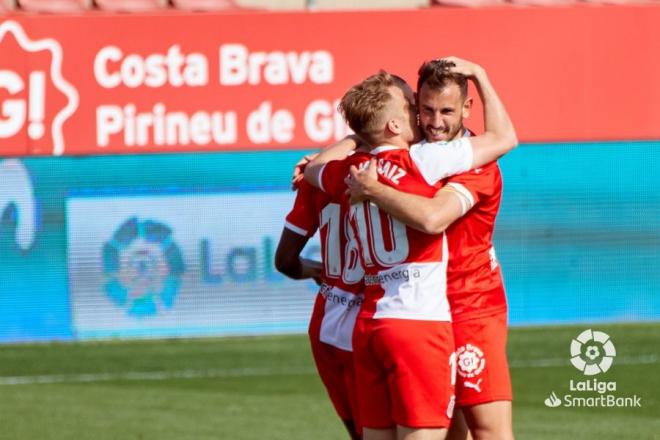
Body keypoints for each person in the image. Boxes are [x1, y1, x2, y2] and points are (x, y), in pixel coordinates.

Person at [304, 57, 516, 440]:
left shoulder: (475, 162)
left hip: (468, 304)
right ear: (411, 113)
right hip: (420, 313)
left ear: (468, 108)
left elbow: (434, 217)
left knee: (487, 432)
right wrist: (364, 140)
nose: (435, 121)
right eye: (426, 110)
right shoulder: (421, 157)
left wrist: (361, 161)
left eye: (447, 111)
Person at [274, 165, 365, 440]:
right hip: (381, 322)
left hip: (329, 324)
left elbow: (285, 261)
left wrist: (320, 271)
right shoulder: (400, 171)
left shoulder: (318, 175)